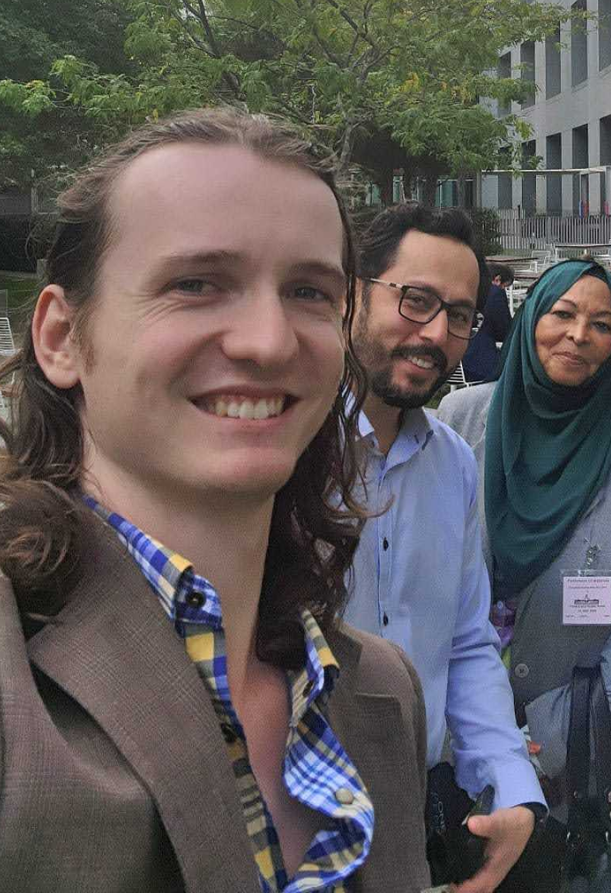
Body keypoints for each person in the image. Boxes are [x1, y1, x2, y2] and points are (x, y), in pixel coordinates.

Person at [0, 109, 430, 892]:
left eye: (308, 291)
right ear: (61, 336)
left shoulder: (381, 691)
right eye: (196, 285)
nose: (267, 342)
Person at [341, 204, 544, 893]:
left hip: (415, 811)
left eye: (460, 315)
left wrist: (511, 782)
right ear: (351, 292)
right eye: (416, 300)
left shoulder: (454, 462)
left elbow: (464, 639)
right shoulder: (281, 451)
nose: (436, 334)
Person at [437, 259, 611, 806]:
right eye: (562, 313)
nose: (579, 335)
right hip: (449, 742)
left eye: (602, 324)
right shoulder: (461, 419)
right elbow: (420, 581)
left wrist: (544, 747)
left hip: (574, 762)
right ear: (529, 321)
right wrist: (461, 736)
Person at [462, 263, 515, 383]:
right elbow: (505, 331)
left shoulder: (464, 286)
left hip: (454, 364)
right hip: (481, 363)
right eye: (505, 287)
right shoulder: (495, 293)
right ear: (497, 280)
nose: (504, 290)